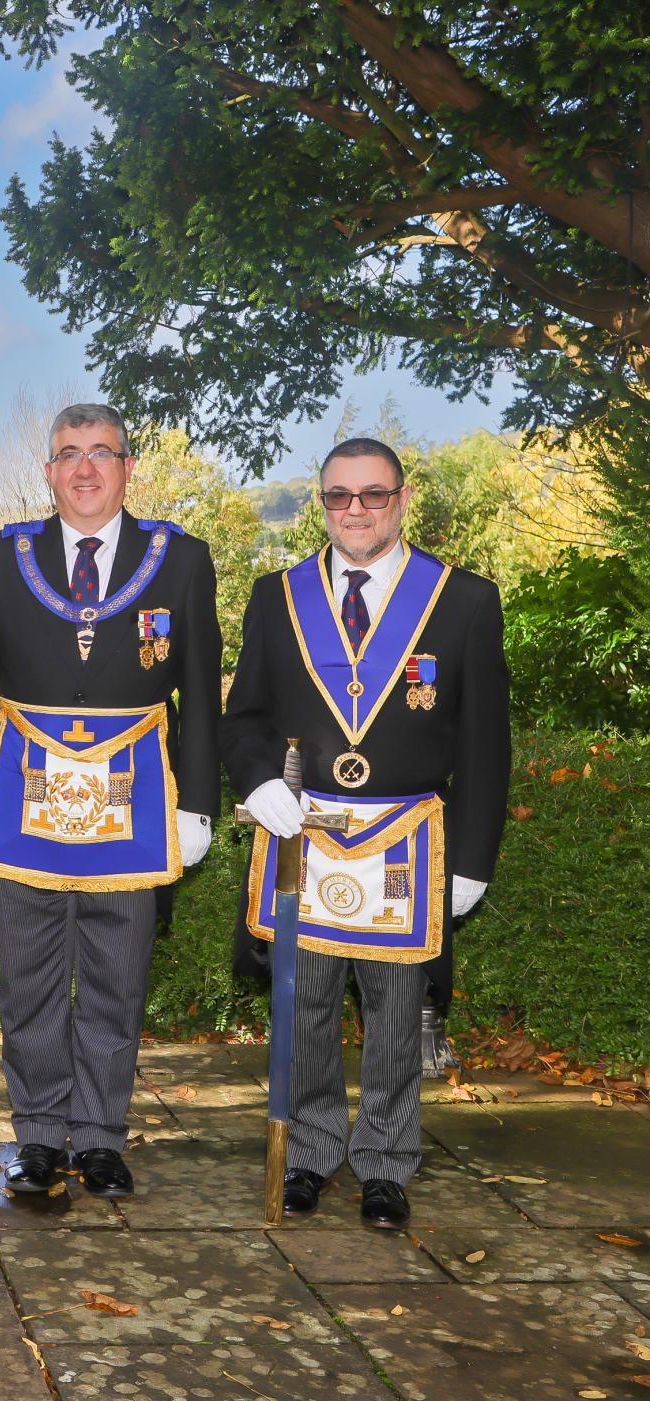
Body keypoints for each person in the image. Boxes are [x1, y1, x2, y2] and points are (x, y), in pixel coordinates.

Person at [224, 436, 508, 1229]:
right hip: (306, 832)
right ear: (322, 503)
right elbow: (242, 716)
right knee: (306, 1004)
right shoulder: (277, 596)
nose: (355, 510)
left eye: (373, 495)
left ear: (402, 498)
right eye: (338, 496)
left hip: (411, 842)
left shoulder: (463, 601)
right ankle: (312, 1149)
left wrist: (474, 857)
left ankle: (385, 1161)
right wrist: (255, 781)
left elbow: (487, 742)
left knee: (393, 1012)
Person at [0, 403, 219, 1200]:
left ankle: (99, 1135)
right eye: (69, 454)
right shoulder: (3, 557)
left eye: (102, 453)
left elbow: (201, 694)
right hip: (22, 799)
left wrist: (194, 802)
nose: (86, 468)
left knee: (115, 976)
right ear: (49, 472)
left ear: (128, 467)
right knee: (26, 978)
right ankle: (36, 1136)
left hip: (133, 805)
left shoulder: (181, 560)